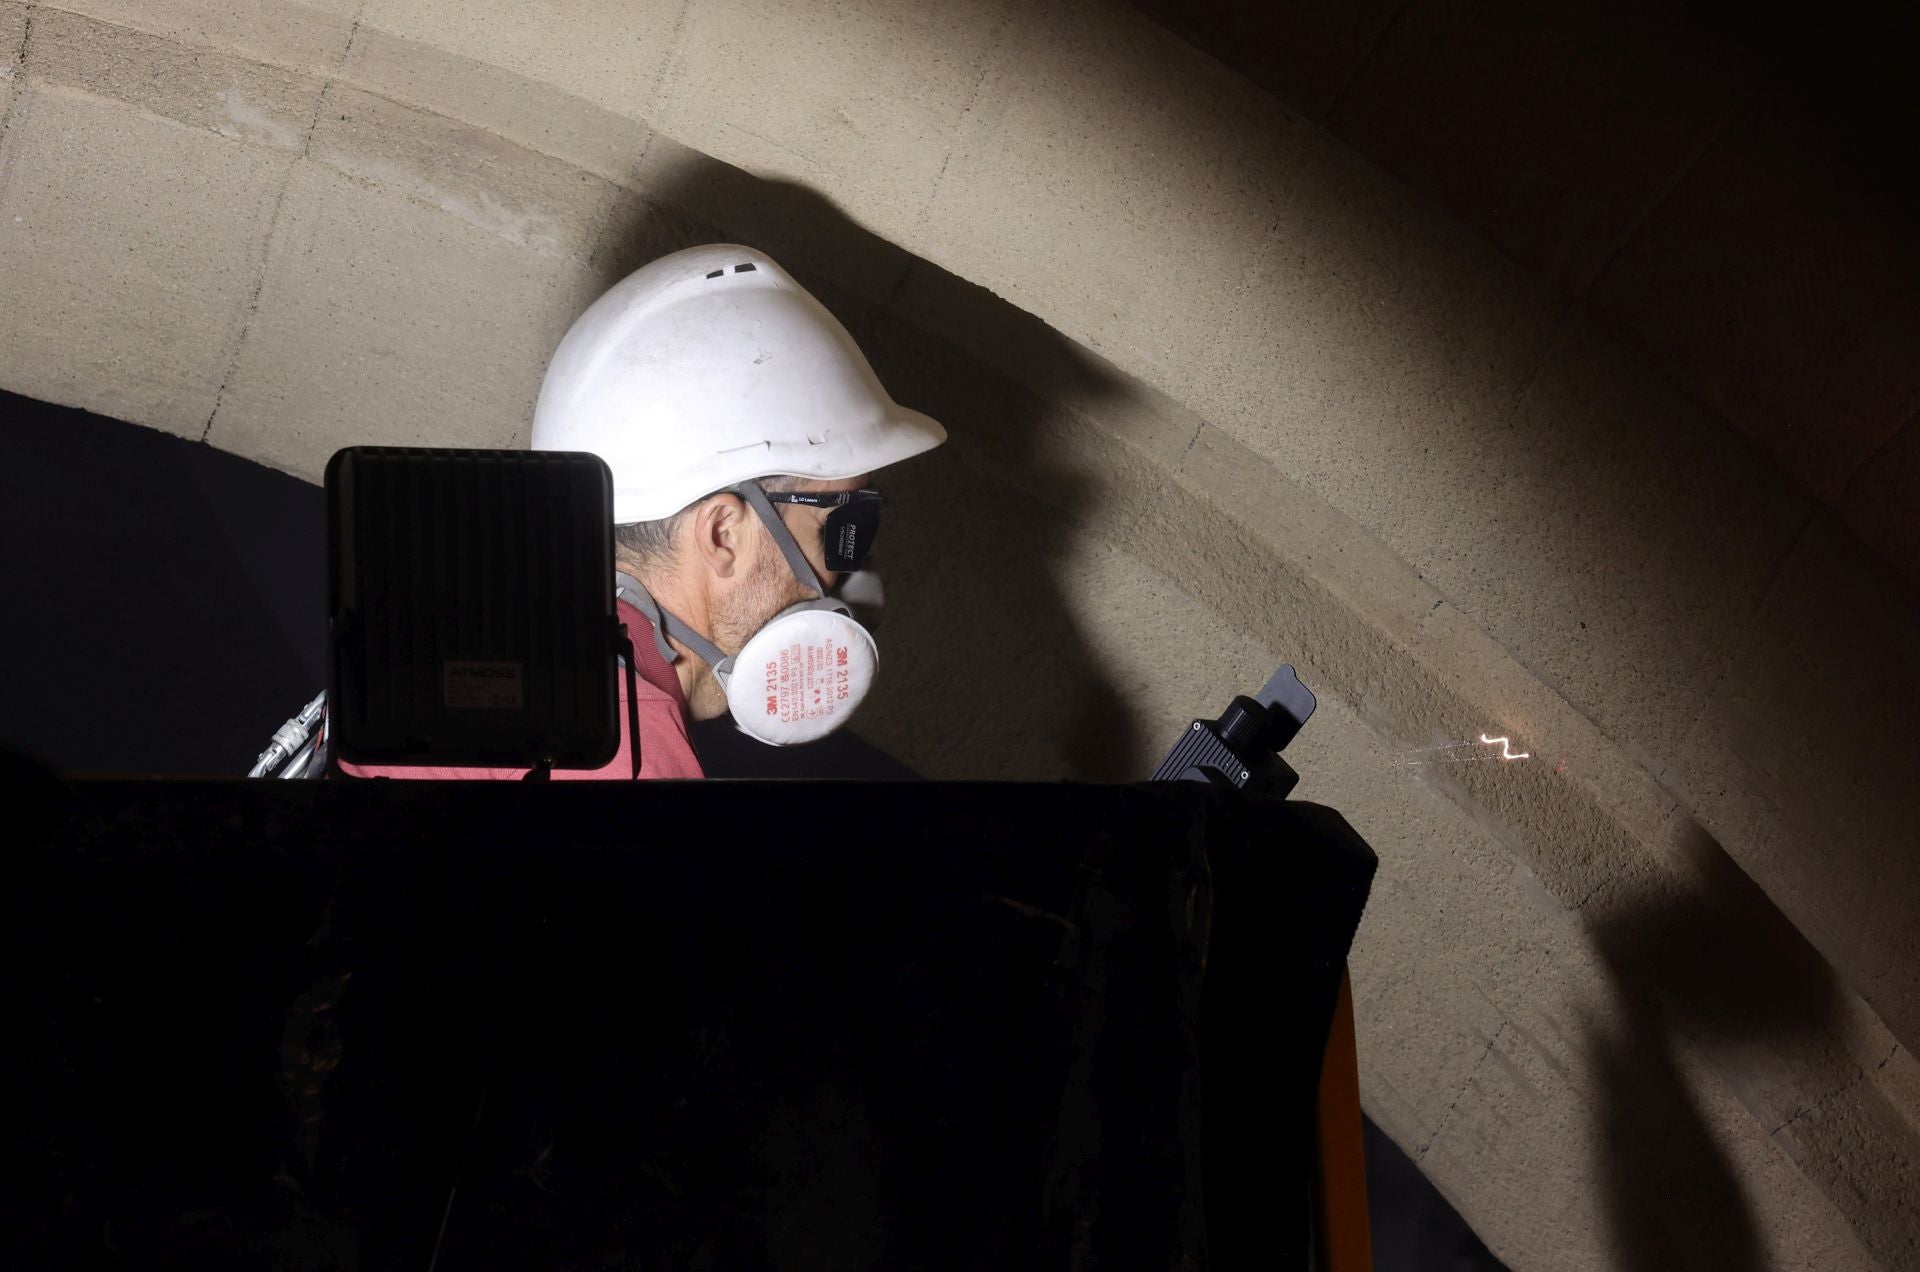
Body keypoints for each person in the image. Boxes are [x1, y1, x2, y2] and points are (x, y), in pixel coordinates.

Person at [334, 243, 946, 780]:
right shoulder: (618, 757)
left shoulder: (454, 658)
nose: (850, 575)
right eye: (845, 529)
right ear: (724, 533)